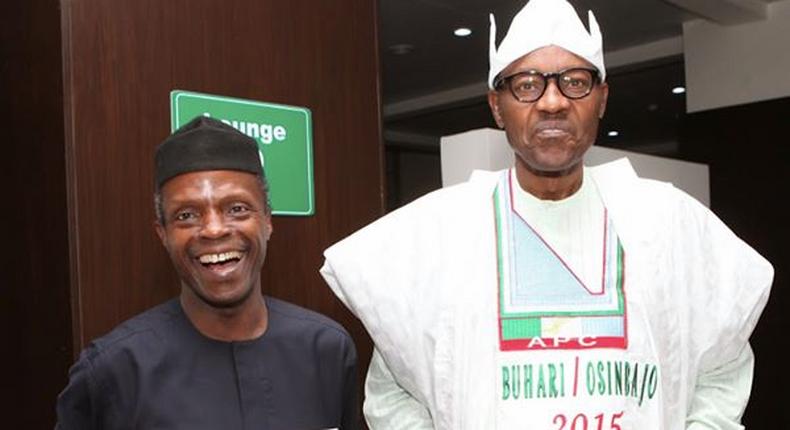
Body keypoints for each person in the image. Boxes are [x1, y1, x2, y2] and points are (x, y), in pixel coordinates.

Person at [319, 0, 773, 428]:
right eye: (527, 85)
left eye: (574, 82)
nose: (553, 102)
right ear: (497, 106)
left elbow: (723, 366)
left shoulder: (668, 222)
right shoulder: (438, 235)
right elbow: (392, 390)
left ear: (602, 98)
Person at [56, 116, 359, 430]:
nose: (214, 229)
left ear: (267, 220)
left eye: (237, 209)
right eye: (186, 215)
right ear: (163, 233)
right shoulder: (114, 371)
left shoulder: (327, 350)